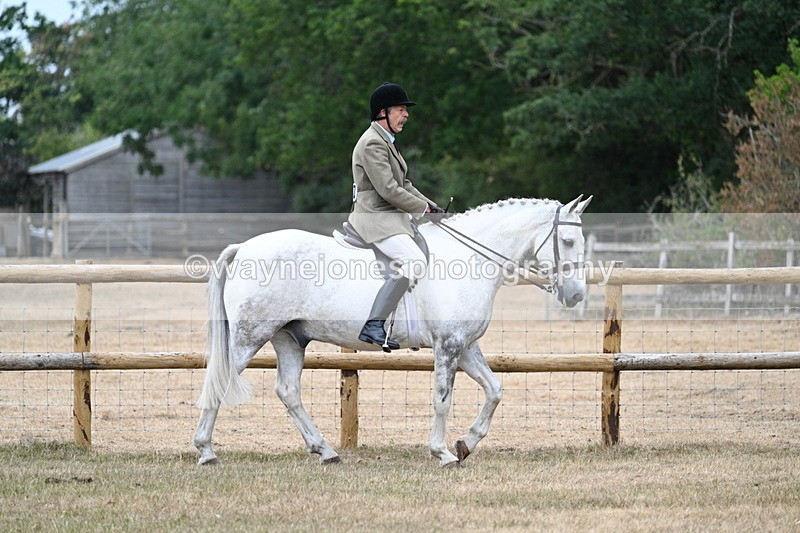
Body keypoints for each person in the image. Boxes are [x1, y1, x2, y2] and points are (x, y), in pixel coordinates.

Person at [348, 82, 445, 350]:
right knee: (414, 261)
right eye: (401, 109)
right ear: (383, 112)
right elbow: (388, 189)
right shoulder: (372, 143)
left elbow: (405, 184)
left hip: (389, 216)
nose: (406, 115)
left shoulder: (386, 141)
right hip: (375, 217)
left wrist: (431, 206)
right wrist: (421, 209)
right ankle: (374, 324)